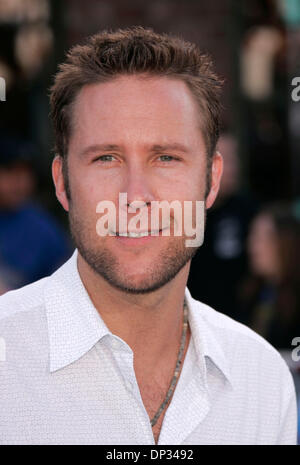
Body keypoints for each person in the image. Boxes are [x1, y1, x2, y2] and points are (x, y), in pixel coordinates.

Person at [0, 27, 297, 445]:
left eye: (166, 158)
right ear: (62, 183)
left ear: (211, 180)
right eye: (106, 158)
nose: (135, 197)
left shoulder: (261, 380)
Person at [188, 132, 258, 320]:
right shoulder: (185, 213)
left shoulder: (247, 211)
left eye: (235, 160)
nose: (234, 168)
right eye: (226, 161)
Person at [0, 134, 73, 292]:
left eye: (26, 172)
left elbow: (66, 284)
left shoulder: (40, 225)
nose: (20, 181)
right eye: (10, 171)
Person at [239, 203, 300, 350]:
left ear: (286, 242)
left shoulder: (295, 299)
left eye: (264, 238)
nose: (253, 247)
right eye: (253, 236)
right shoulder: (251, 293)